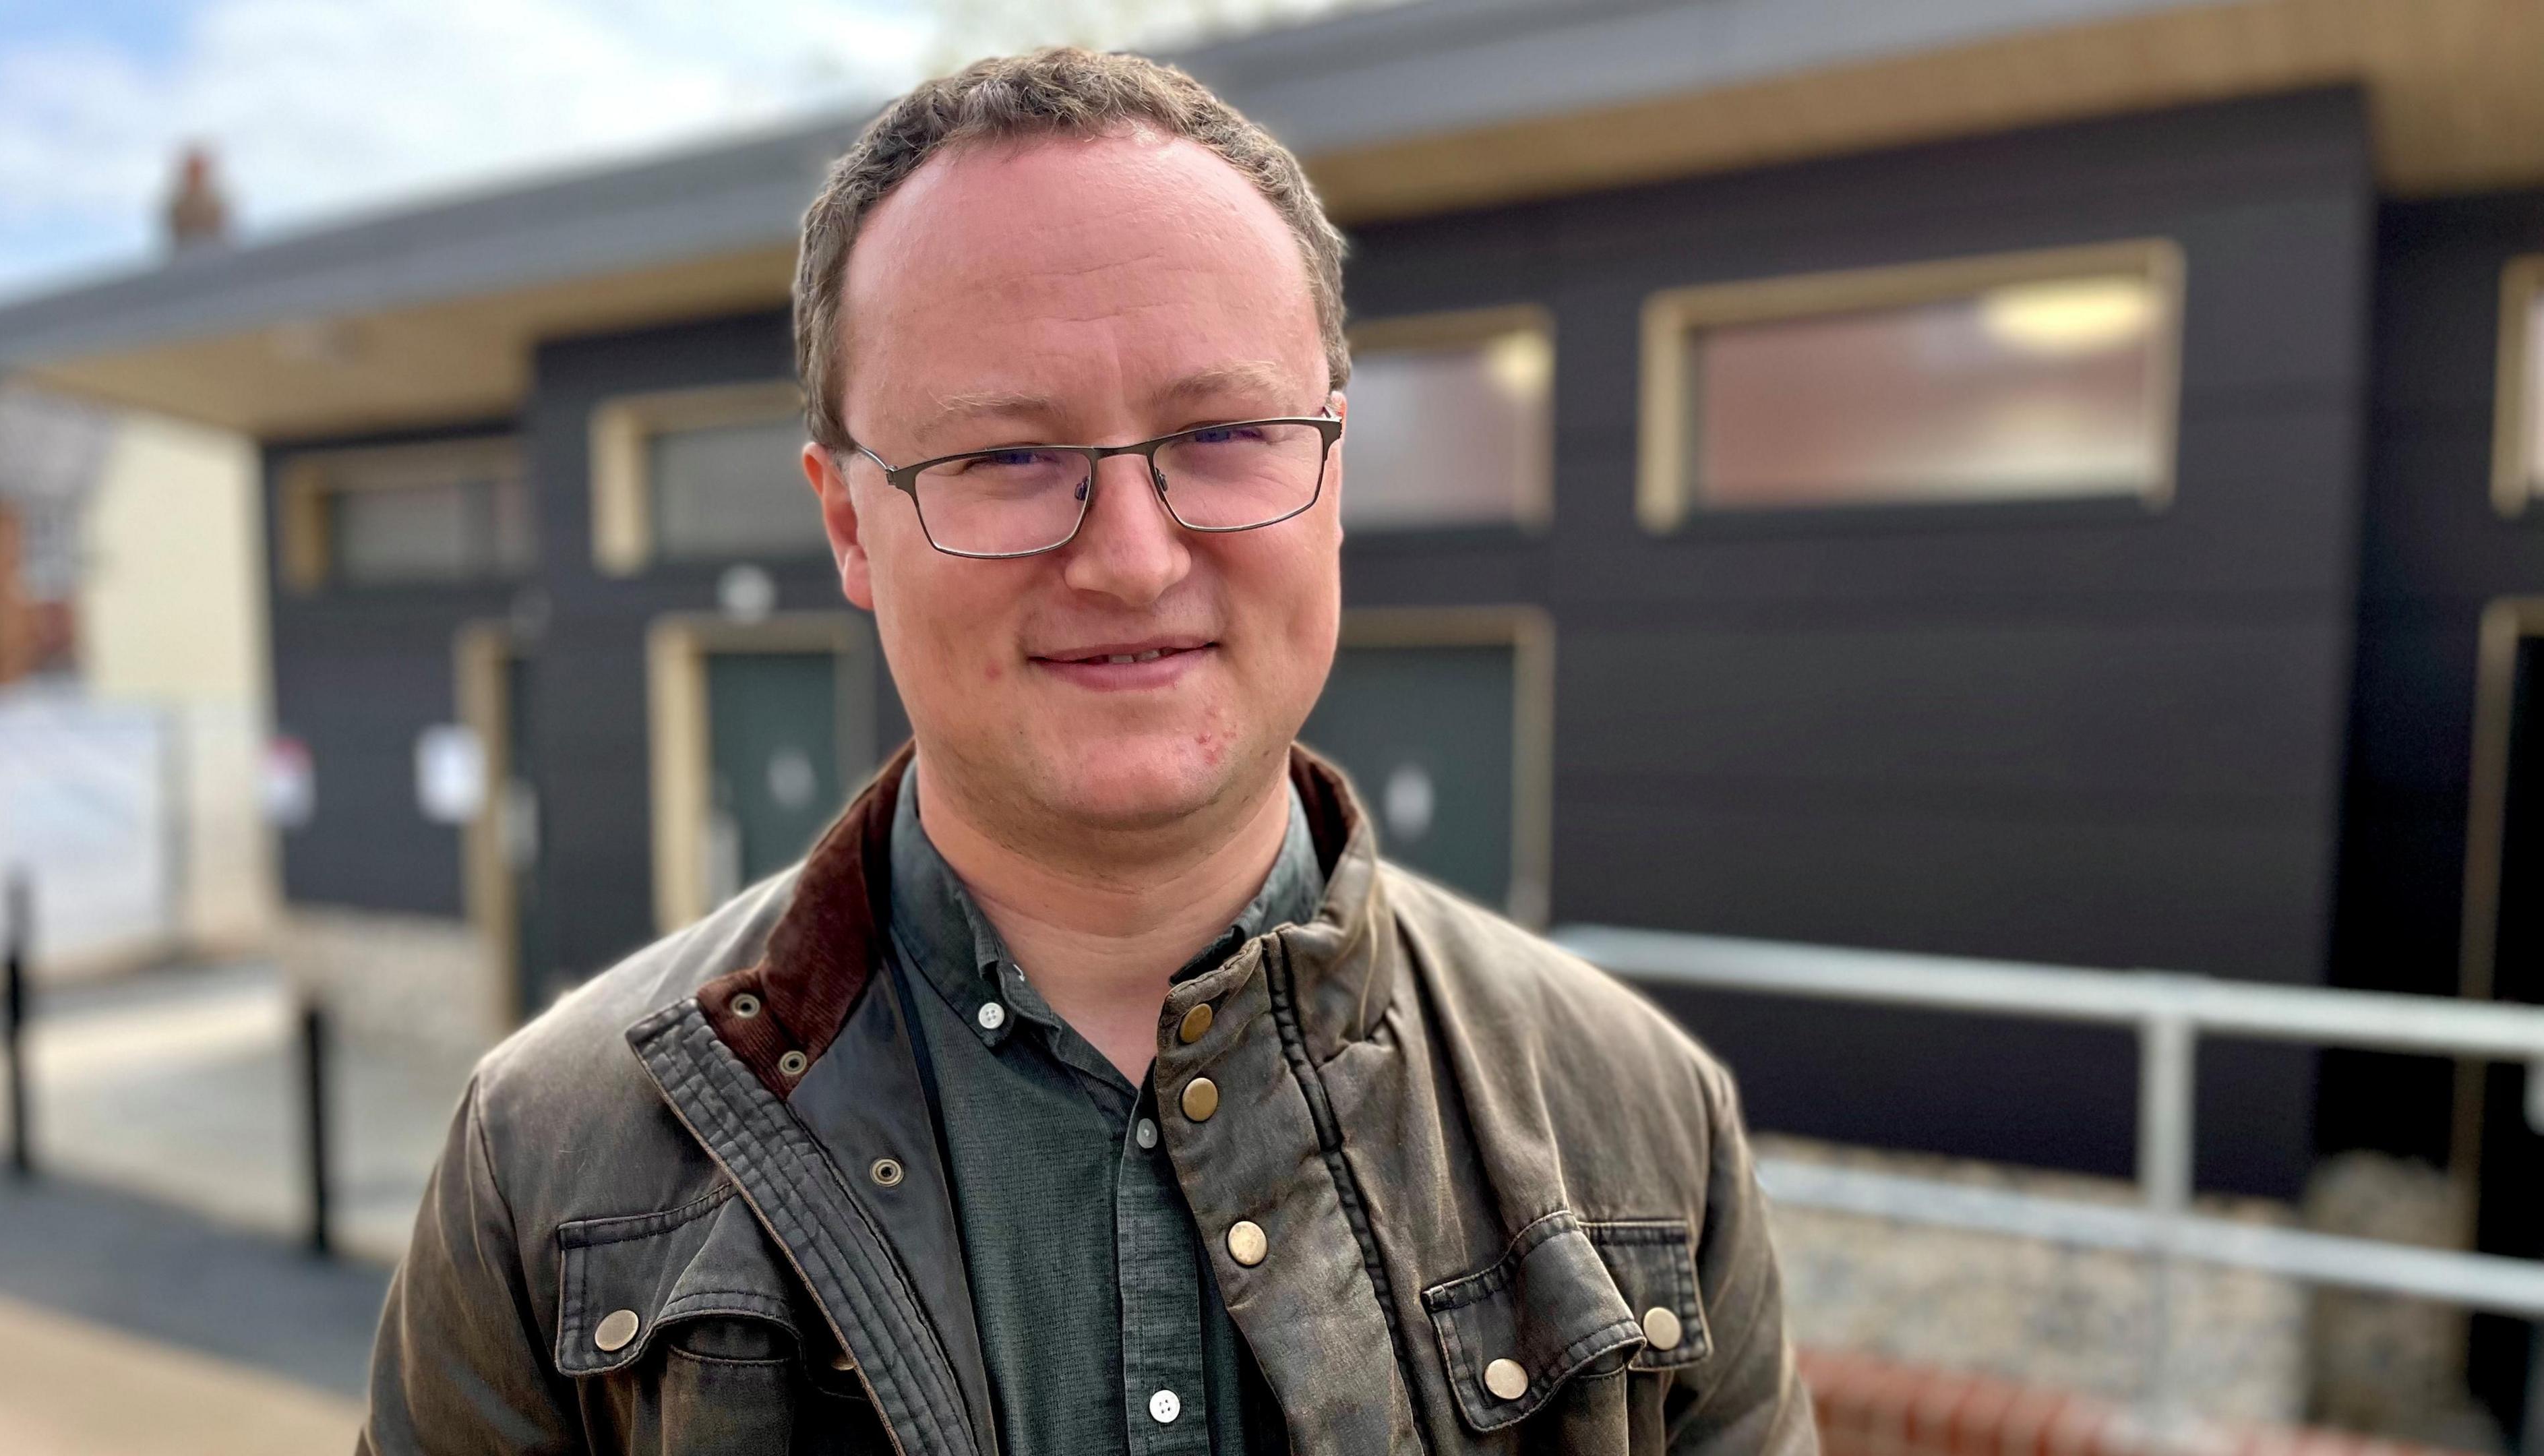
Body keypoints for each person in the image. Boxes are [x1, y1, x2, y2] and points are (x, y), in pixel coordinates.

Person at [361, 47, 1814, 1456]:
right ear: (850, 524)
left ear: (1334, 479)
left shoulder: (1642, 1130)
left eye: (1226, 432)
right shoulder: (545, 1168)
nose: (1130, 559)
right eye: (1006, 457)